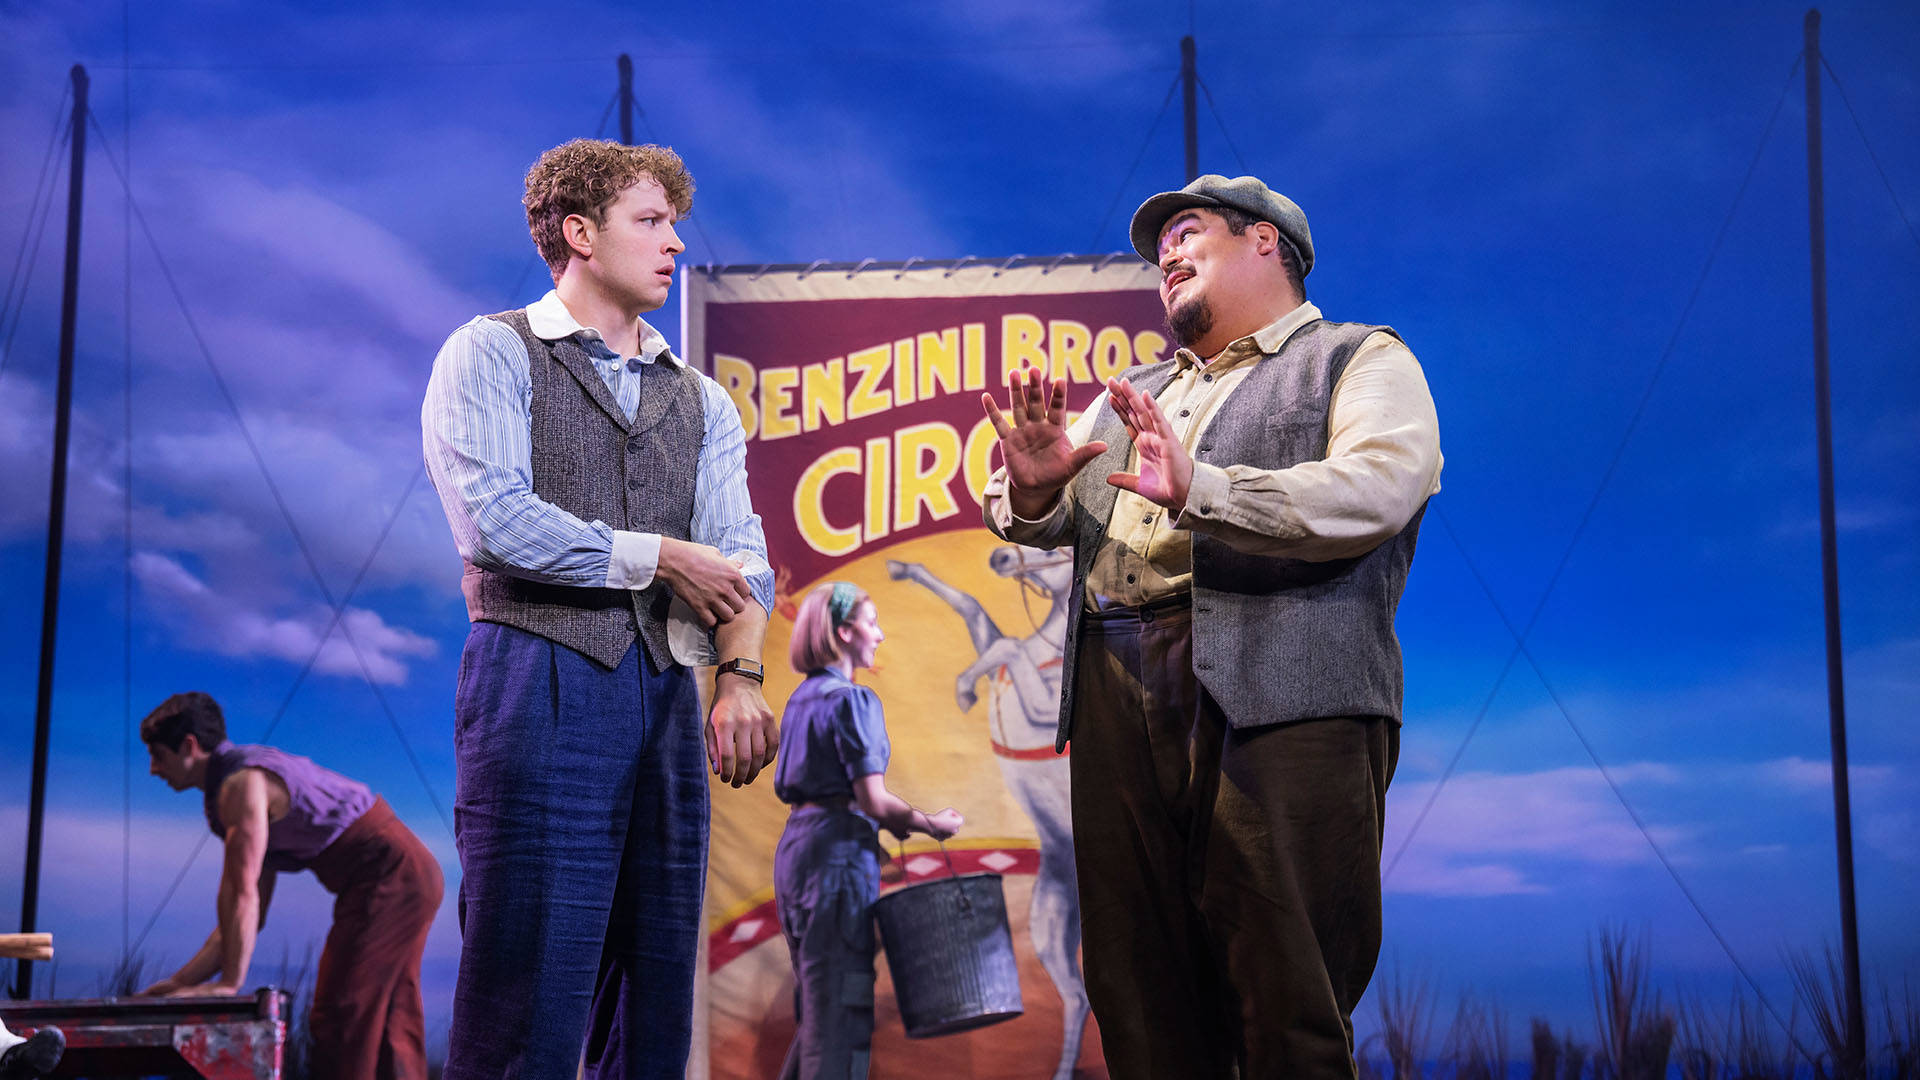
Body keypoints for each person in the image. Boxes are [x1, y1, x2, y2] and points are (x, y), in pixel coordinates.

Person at [980, 174, 1443, 1079]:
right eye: (1158, 250)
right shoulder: (1136, 391)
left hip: (1287, 692)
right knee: (1137, 995)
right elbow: (1033, 510)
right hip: (1117, 690)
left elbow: (1381, 487)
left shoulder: (1358, 358)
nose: (1166, 257)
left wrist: (1205, 488)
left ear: (1265, 242)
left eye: (1187, 233)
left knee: (1287, 997)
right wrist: (1033, 488)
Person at [422, 138, 779, 1079]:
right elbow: (497, 523)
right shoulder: (490, 350)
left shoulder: (702, 402)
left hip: (665, 698)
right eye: (650, 222)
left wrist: (740, 676)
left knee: (656, 994)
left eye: (675, 225)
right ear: (579, 233)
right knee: (527, 985)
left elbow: (746, 563)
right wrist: (661, 558)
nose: (675, 246)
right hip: (535, 683)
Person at [135, 691, 442, 1080]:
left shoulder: (242, 785)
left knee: (342, 1012)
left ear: (189, 746)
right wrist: (181, 983)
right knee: (389, 1018)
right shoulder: (237, 784)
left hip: (393, 874)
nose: (153, 769)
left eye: (157, 755)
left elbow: (242, 895)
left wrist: (230, 984)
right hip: (404, 874)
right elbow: (246, 913)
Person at [773, 583, 963, 1080]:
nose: (880, 634)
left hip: (798, 853)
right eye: (871, 622)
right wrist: (930, 824)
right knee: (839, 1015)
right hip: (836, 860)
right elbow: (873, 801)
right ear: (843, 632)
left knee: (819, 1010)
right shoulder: (855, 701)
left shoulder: (799, 700)